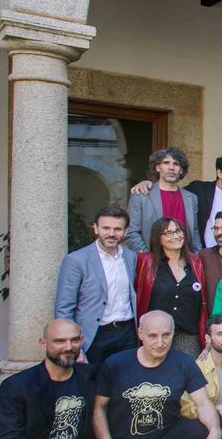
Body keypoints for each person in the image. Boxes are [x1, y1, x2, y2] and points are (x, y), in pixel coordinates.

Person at [92, 311, 222, 439]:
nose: (160, 343)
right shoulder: (116, 364)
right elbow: (99, 408)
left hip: (167, 433)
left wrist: (215, 431)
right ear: (140, 334)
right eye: (152, 336)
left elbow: (203, 403)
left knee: (207, 428)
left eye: (166, 335)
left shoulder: (183, 362)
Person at [57, 206, 138, 372]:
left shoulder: (131, 258)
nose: (111, 233)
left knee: (125, 385)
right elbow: (64, 308)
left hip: (127, 332)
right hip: (94, 335)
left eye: (117, 229)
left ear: (125, 231)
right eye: (106, 228)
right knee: (92, 386)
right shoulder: (76, 260)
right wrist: (74, 347)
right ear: (95, 228)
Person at [130, 154, 222, 250]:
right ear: (219, 173)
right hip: (207, 255)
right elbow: (169, 189)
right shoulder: (198, 190)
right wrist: (147, 183)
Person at [133, 217, 208, 358]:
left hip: (188, 337)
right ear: (158, 238)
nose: (176, 236)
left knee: (185, 376)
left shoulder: (196, 262)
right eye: (168, 233)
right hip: (155, 337)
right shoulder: (145, 262)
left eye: (178, 231)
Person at [125, 147, 200, 252]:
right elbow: (131, 232)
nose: (171, 167)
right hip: (154, 260)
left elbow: (194, 232)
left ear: (181, 170)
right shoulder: (141, 195)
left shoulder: (191, 198)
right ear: (157, 167)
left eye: (176, 164)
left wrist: (196, 255)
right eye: (166, 163)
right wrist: (149, 258)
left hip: (185, 261)